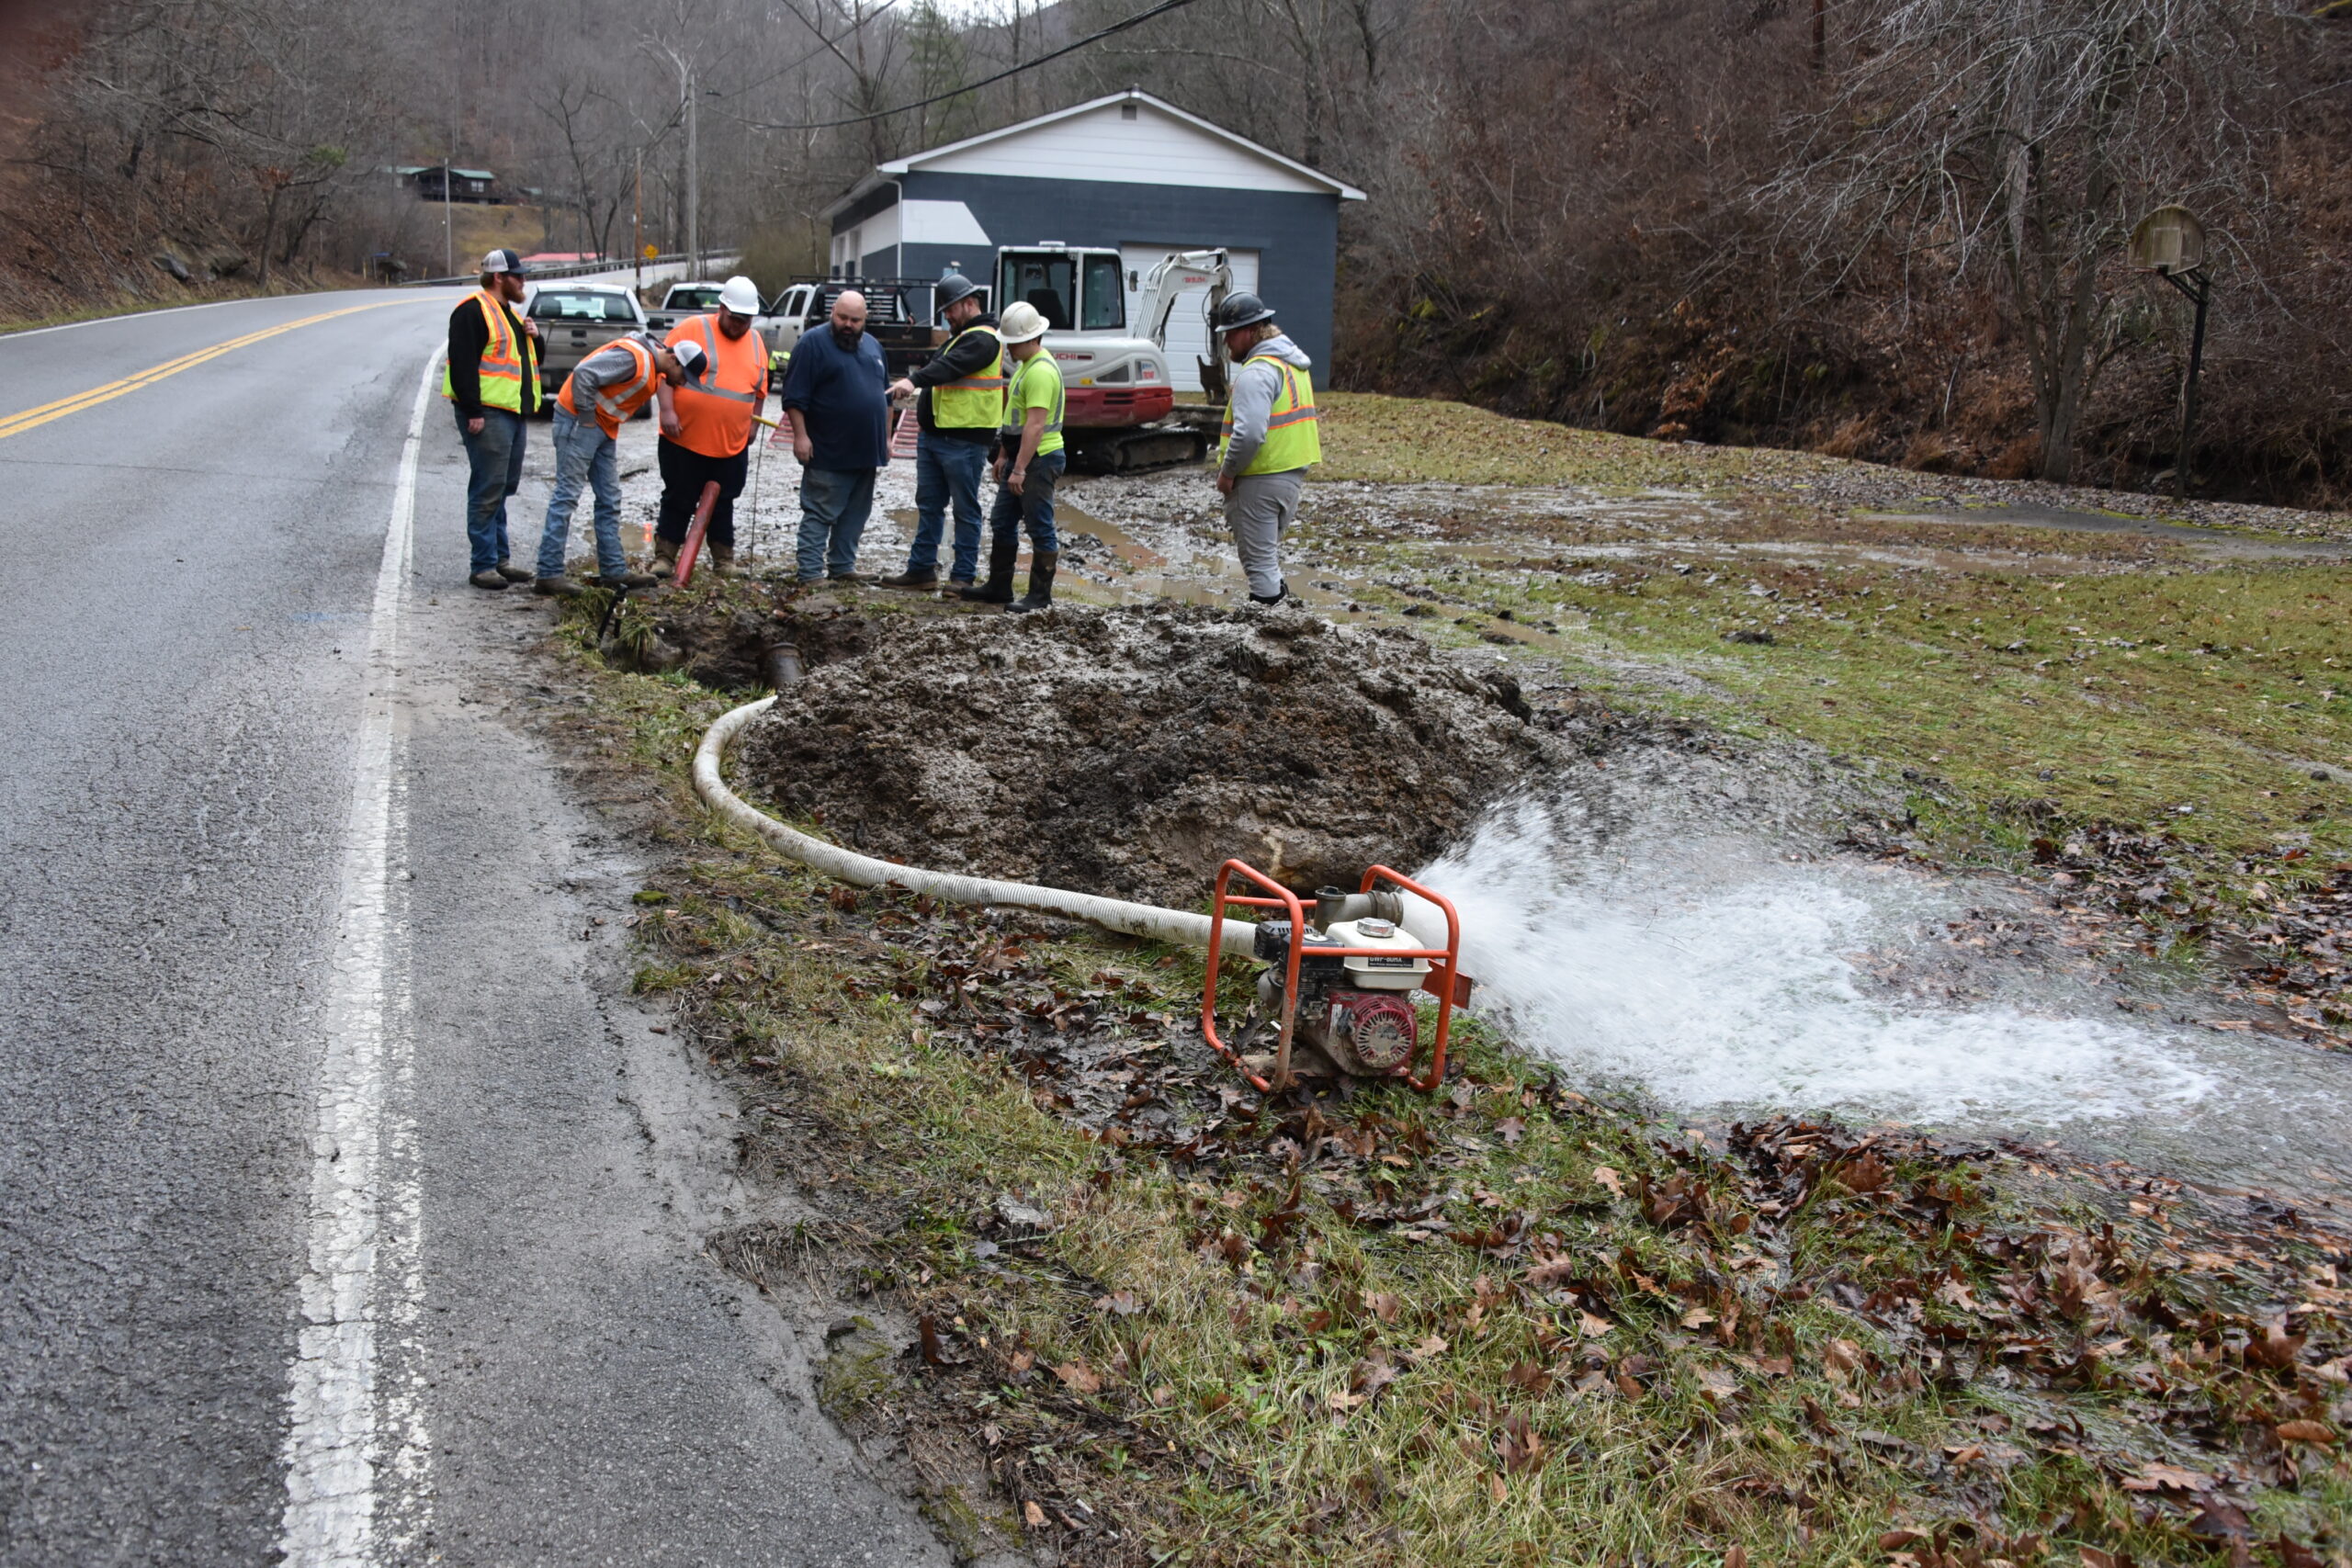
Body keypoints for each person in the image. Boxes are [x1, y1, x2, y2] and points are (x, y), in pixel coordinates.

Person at [532, 333, 704, 596]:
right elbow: (584, 374)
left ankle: (613, 570)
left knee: (610, 498)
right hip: (581, 424)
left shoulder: (652, 364)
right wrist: (587, 418)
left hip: (603, 427)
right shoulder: (635, 359)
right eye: (683, 377)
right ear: (673, 359)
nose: (681, 384)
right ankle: (549, 573)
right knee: (567, 495)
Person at [878, 273, 1002, 592]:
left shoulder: (984, 339)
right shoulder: (962, 337)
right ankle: (921, 570)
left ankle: (962, 577)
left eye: (950, 309)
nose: (946, 315)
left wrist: (914, 380)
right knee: (930, 505)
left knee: (965, 509)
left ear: (970, 303)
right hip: (936, 437)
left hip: (964, 440)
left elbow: (949, 368)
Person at [652, 275, 768, 580]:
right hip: (684, 437)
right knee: (679, 496)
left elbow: (758, 390)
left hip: (730, 443)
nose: (739, 325)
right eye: (734, 318)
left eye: (746, 320)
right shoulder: (693, 329)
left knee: (724, 500)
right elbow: (663, 370)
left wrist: (753, 424)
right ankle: (665, 557)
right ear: (721, 309)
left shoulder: (756, 342)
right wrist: (666, 410)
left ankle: (724, 560)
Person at [1211, 292, 1321, 605]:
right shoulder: (1292, 366)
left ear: (1249, 331)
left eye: (1230, 334)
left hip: (1258, 479)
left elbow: (1248, 435)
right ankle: (1284, 620)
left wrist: (1227, 473)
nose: (1227, 342)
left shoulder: (1257, 372)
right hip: (1288, 477)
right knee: (1267, 561)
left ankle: (1269, 636)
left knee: (1259, 566)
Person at [444, 248, 542, 591]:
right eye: (518, 276)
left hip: (513, 412)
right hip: (487, 412)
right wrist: (472, 411)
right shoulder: (472, 311)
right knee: (488, 487)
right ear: (499, 277)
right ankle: (483, 564)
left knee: (502, 487)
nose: (523, 281)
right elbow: (462, 363)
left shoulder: (512, 316)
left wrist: (535, 336)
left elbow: (529, 361)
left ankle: (500, 560)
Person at [778, 290, 890, 585]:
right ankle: (811, 573)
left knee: (856, 514)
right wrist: (800, 437)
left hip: (866, 451)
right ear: (832, 313)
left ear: (865, 320)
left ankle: (842, 566)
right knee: (820, 511)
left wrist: (887, 439)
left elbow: (886, 398)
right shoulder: (812, 344)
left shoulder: (874, 347)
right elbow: (793, 398)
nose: (848, 325)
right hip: (827, 448)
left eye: (855, 319)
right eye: (843, 317)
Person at [963, 300, 1064, 613]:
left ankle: (1039, 596)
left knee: (1039, 525)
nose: (1009, 350)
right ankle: (999, 586)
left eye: (1014, 344)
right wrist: (1004, 455)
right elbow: (1015, 420)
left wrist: (1019, 468)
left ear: (1032, 339)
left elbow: (1035, 426)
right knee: (1002, 520)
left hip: (1039, 459)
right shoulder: (1025, 367)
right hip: (1023, 457)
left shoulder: (1041, 373)